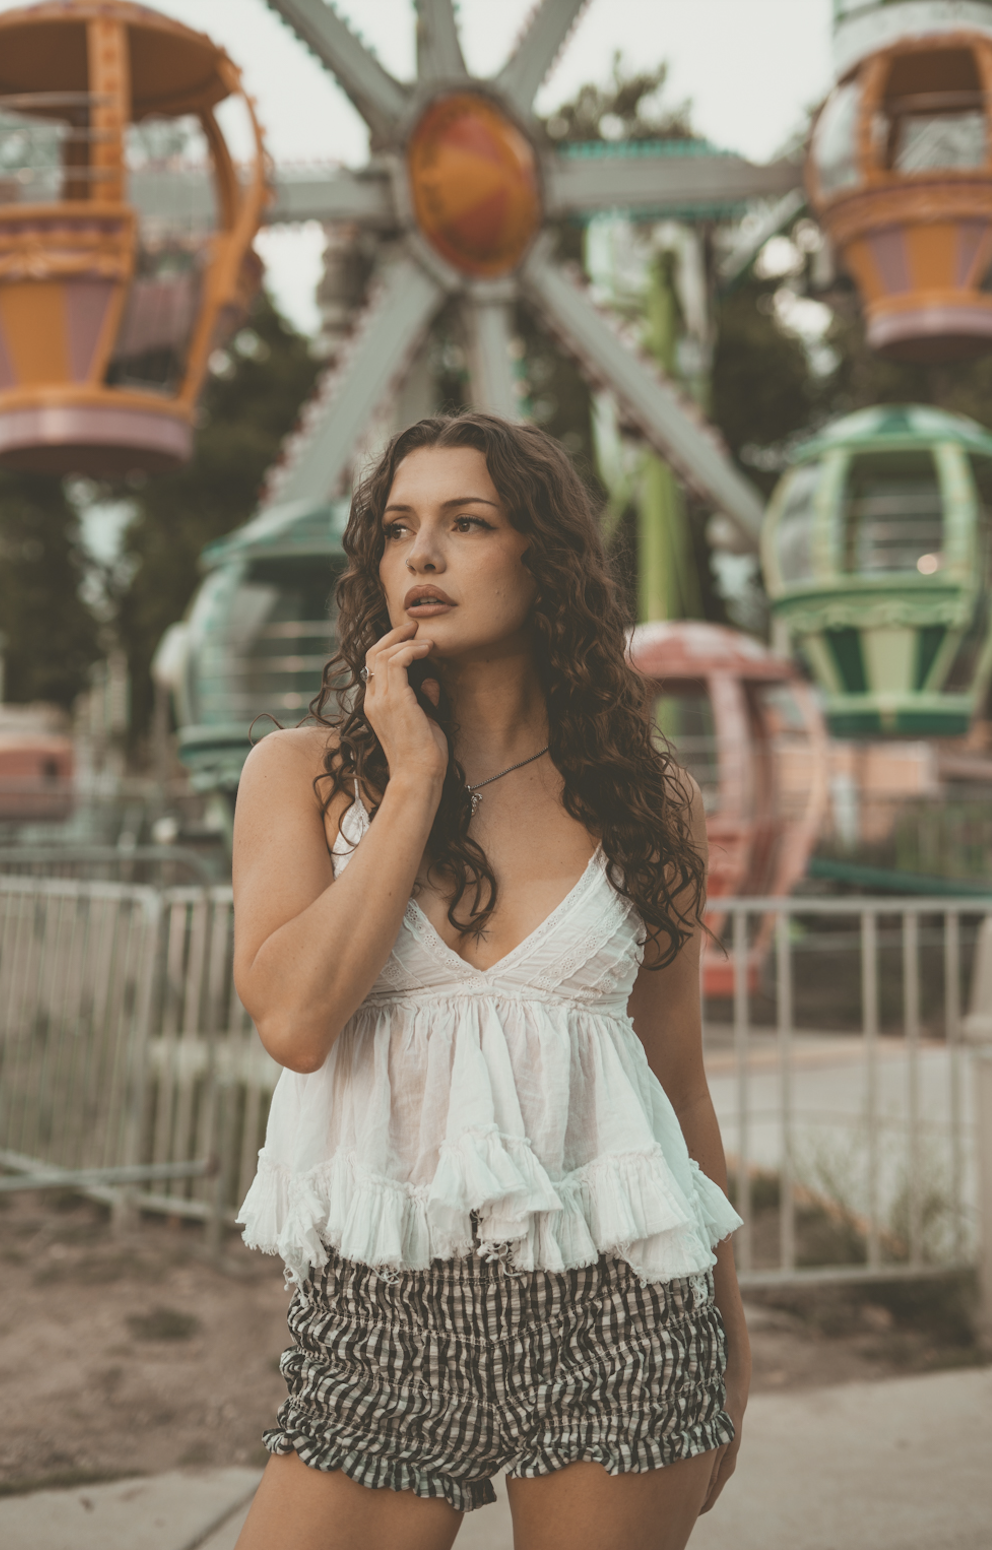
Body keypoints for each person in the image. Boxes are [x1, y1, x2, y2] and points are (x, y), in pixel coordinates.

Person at [231, 412, 749, 1550]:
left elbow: (676, 1085)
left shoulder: (646, 797)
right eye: (400, 528)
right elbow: (295, 1019)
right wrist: (411, 782)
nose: (422, 556)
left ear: (542, 558)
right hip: (384, 1321)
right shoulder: (303, 775)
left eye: (468, 523)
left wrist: (734, 1333)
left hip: (623, 1316)